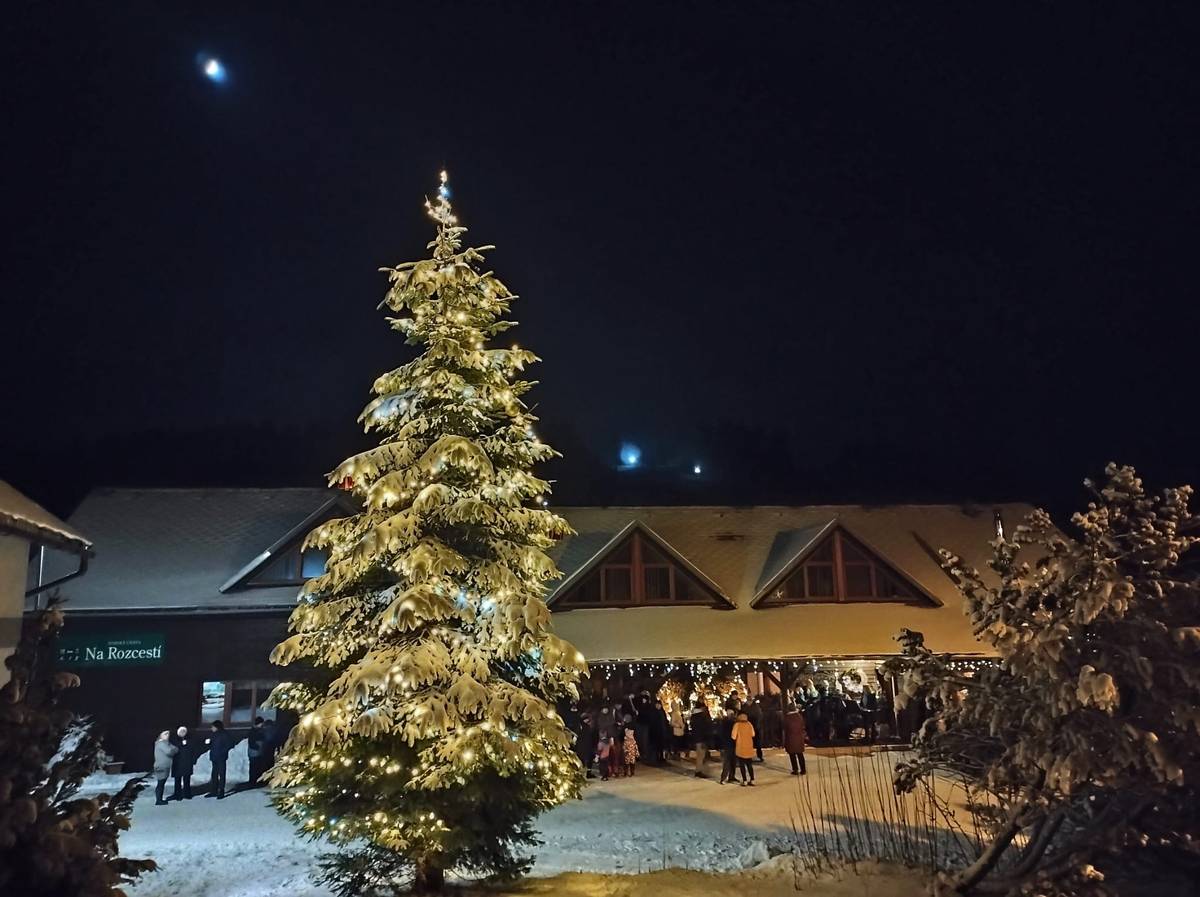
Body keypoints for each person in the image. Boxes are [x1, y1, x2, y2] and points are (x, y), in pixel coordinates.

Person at [206, 720, 235, 799]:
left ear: (217, 727)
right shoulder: (213, 734)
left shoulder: (224, 734)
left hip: (221, 757)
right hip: (214, 757)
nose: (211, 728)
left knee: (221, 774)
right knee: (214, 774)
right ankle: (213, 791)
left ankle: (221, 791)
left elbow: (230, 744)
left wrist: (223, 752)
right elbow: (212, 745)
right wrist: (208, 743)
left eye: (213, 727)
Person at [152, 730, 177, 805]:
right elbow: (169, 752)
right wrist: (173, 750)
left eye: (168, 734)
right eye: (165, 734)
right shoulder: (161, 743)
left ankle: (159, 799)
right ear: (160, 735)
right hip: (161, 766)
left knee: (161, 783)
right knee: (160, 783)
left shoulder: (166, 743)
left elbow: (175, 748)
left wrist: (173, 750)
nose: (168, 735)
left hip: (165, 766)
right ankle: (158, 800)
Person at [169, 726, 195, 800]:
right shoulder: (174, 740)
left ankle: (187, 794)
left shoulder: (190, 740)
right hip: (178, 763)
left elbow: (192, 750)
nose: (182, 733)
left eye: (184, 732)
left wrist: (192, 760)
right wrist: (181, 744)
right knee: (177, 780)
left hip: (187, 762)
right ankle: (177, 795)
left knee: (186, 779)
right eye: (181, 732)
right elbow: (172, 749)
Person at [731, 710, 756, 785]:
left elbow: (733, 736)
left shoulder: (737, 725)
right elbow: (753, 734)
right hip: (749, 747)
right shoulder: (749, 724)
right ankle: (752, 779)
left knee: (742, 765)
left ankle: (744, 780)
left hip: (740, 747)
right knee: (749, 765)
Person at [688, 700, 712, 778]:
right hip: (701, 739)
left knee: (700, 755)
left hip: (696, 738)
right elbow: (704, 728)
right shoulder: (701, 716)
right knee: (701, 755)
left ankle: (699, 770)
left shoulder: (693, 716)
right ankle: (699, 771)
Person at [783, 702, 808, 775]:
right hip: (799, 738)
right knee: (800, 755)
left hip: (790, 739)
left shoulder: (787, 718)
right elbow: (803, 726)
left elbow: (784, 728)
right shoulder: (799, 716)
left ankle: (795, 769)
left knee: (792, 755)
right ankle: (803, 770)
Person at [716, 707, 737, 785]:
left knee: (732, 761)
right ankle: (724, 778)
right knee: (727, 762)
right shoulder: (726, 723)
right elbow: (721, 735)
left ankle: (731, 777)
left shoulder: (727, 723)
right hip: (728, 745)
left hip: (730, 744)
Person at [247, 717, 267, 786]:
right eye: (261, 723)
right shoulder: (254, 731)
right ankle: (253, 781)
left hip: (256, 752)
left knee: (256, 767)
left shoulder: (257, 730)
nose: (262, 725)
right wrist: (259, 747)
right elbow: (251, 742)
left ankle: (254, 781)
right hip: (255, 752)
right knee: (254, 767)